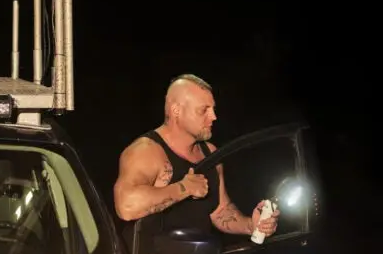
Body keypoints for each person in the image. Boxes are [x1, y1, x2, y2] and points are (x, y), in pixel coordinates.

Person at [113, 73, 280, 240]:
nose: (213, 117)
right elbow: (126, 206)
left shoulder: (211, 153)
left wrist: (251, 225)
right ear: (176, 110)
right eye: (203, 110)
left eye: (213, 109)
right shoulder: (146, 151)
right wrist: (184, 188)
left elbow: (221, 210)